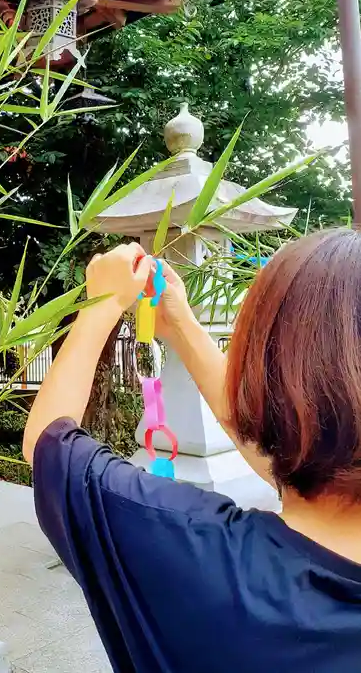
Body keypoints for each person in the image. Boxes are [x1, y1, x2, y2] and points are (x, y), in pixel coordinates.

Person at [23, 231, 361, 673]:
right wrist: (180, 324)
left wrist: (101, 305)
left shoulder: (195, 549)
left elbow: (48, 444)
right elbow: (285, 456)